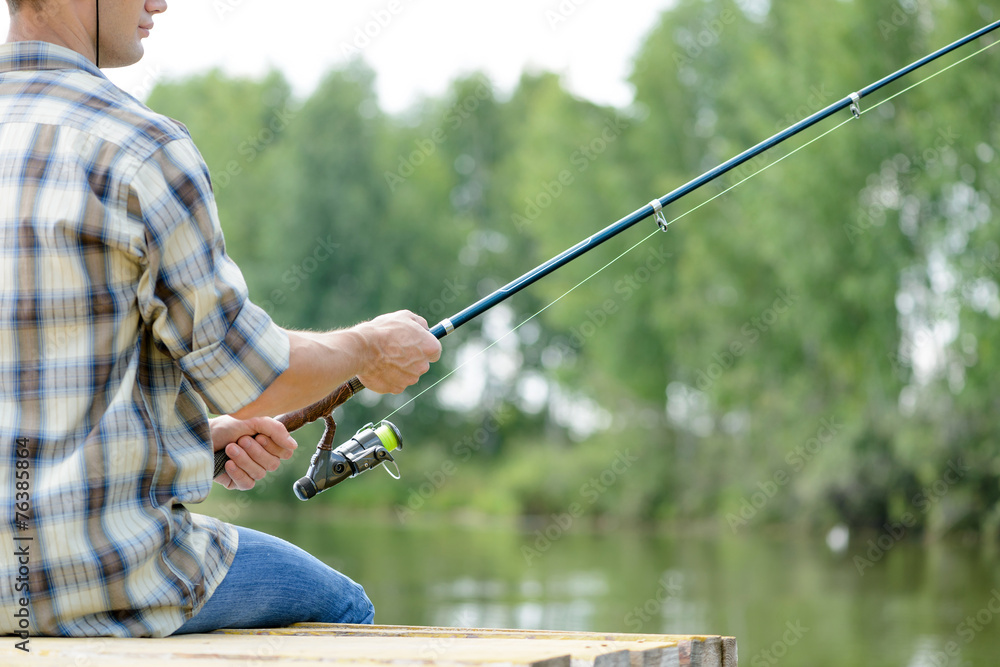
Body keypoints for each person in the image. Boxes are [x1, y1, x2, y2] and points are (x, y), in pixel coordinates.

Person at [0, 0, 442, 638]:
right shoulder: (140, 147)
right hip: (101, 577)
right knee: (345, 611)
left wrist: (188, 440)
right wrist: (369, 348)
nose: (159, 2)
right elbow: (257, 378)